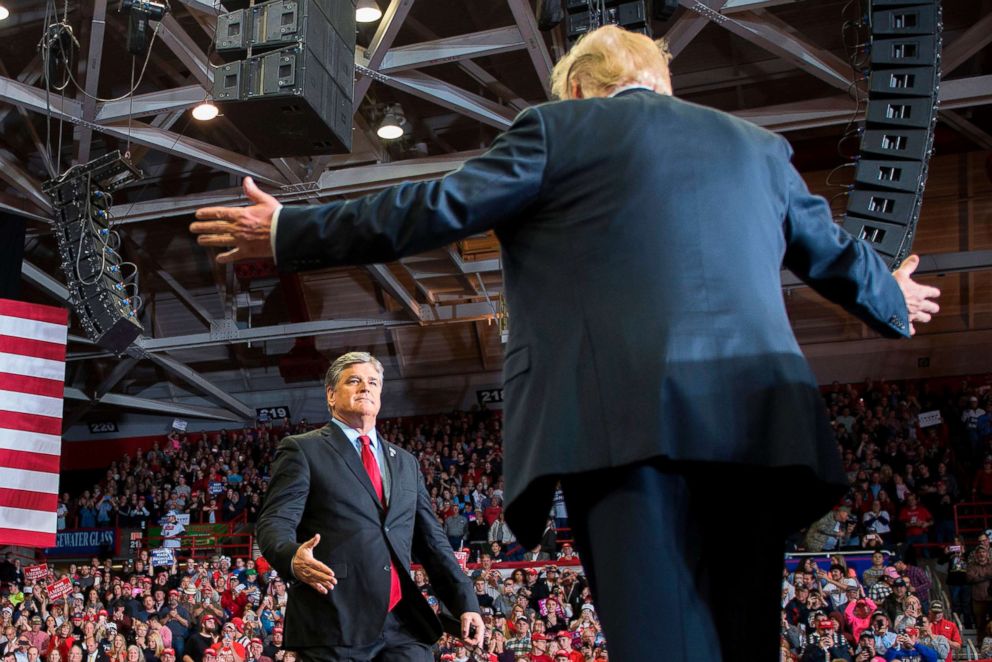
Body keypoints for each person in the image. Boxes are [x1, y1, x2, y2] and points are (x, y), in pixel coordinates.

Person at [191, 24, 941, 662]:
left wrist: (289, 230)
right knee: (738, 638)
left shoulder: (559, 130)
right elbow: (837, 256)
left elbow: (433, 207)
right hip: (760, 431)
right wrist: (893, 297)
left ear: (578, 88)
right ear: (661, 83)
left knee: (658, 640)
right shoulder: (758, 148)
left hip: (622, 424)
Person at [254, 352, 483, 660]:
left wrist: (465, 603)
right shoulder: (302, 449)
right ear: (331, 395)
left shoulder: (405, 463)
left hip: (402, 622)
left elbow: (433, 542)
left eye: (373, 382)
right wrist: (292, 557)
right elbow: (274, 523)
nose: (365, 387)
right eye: (354, 381)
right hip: (335, 621)